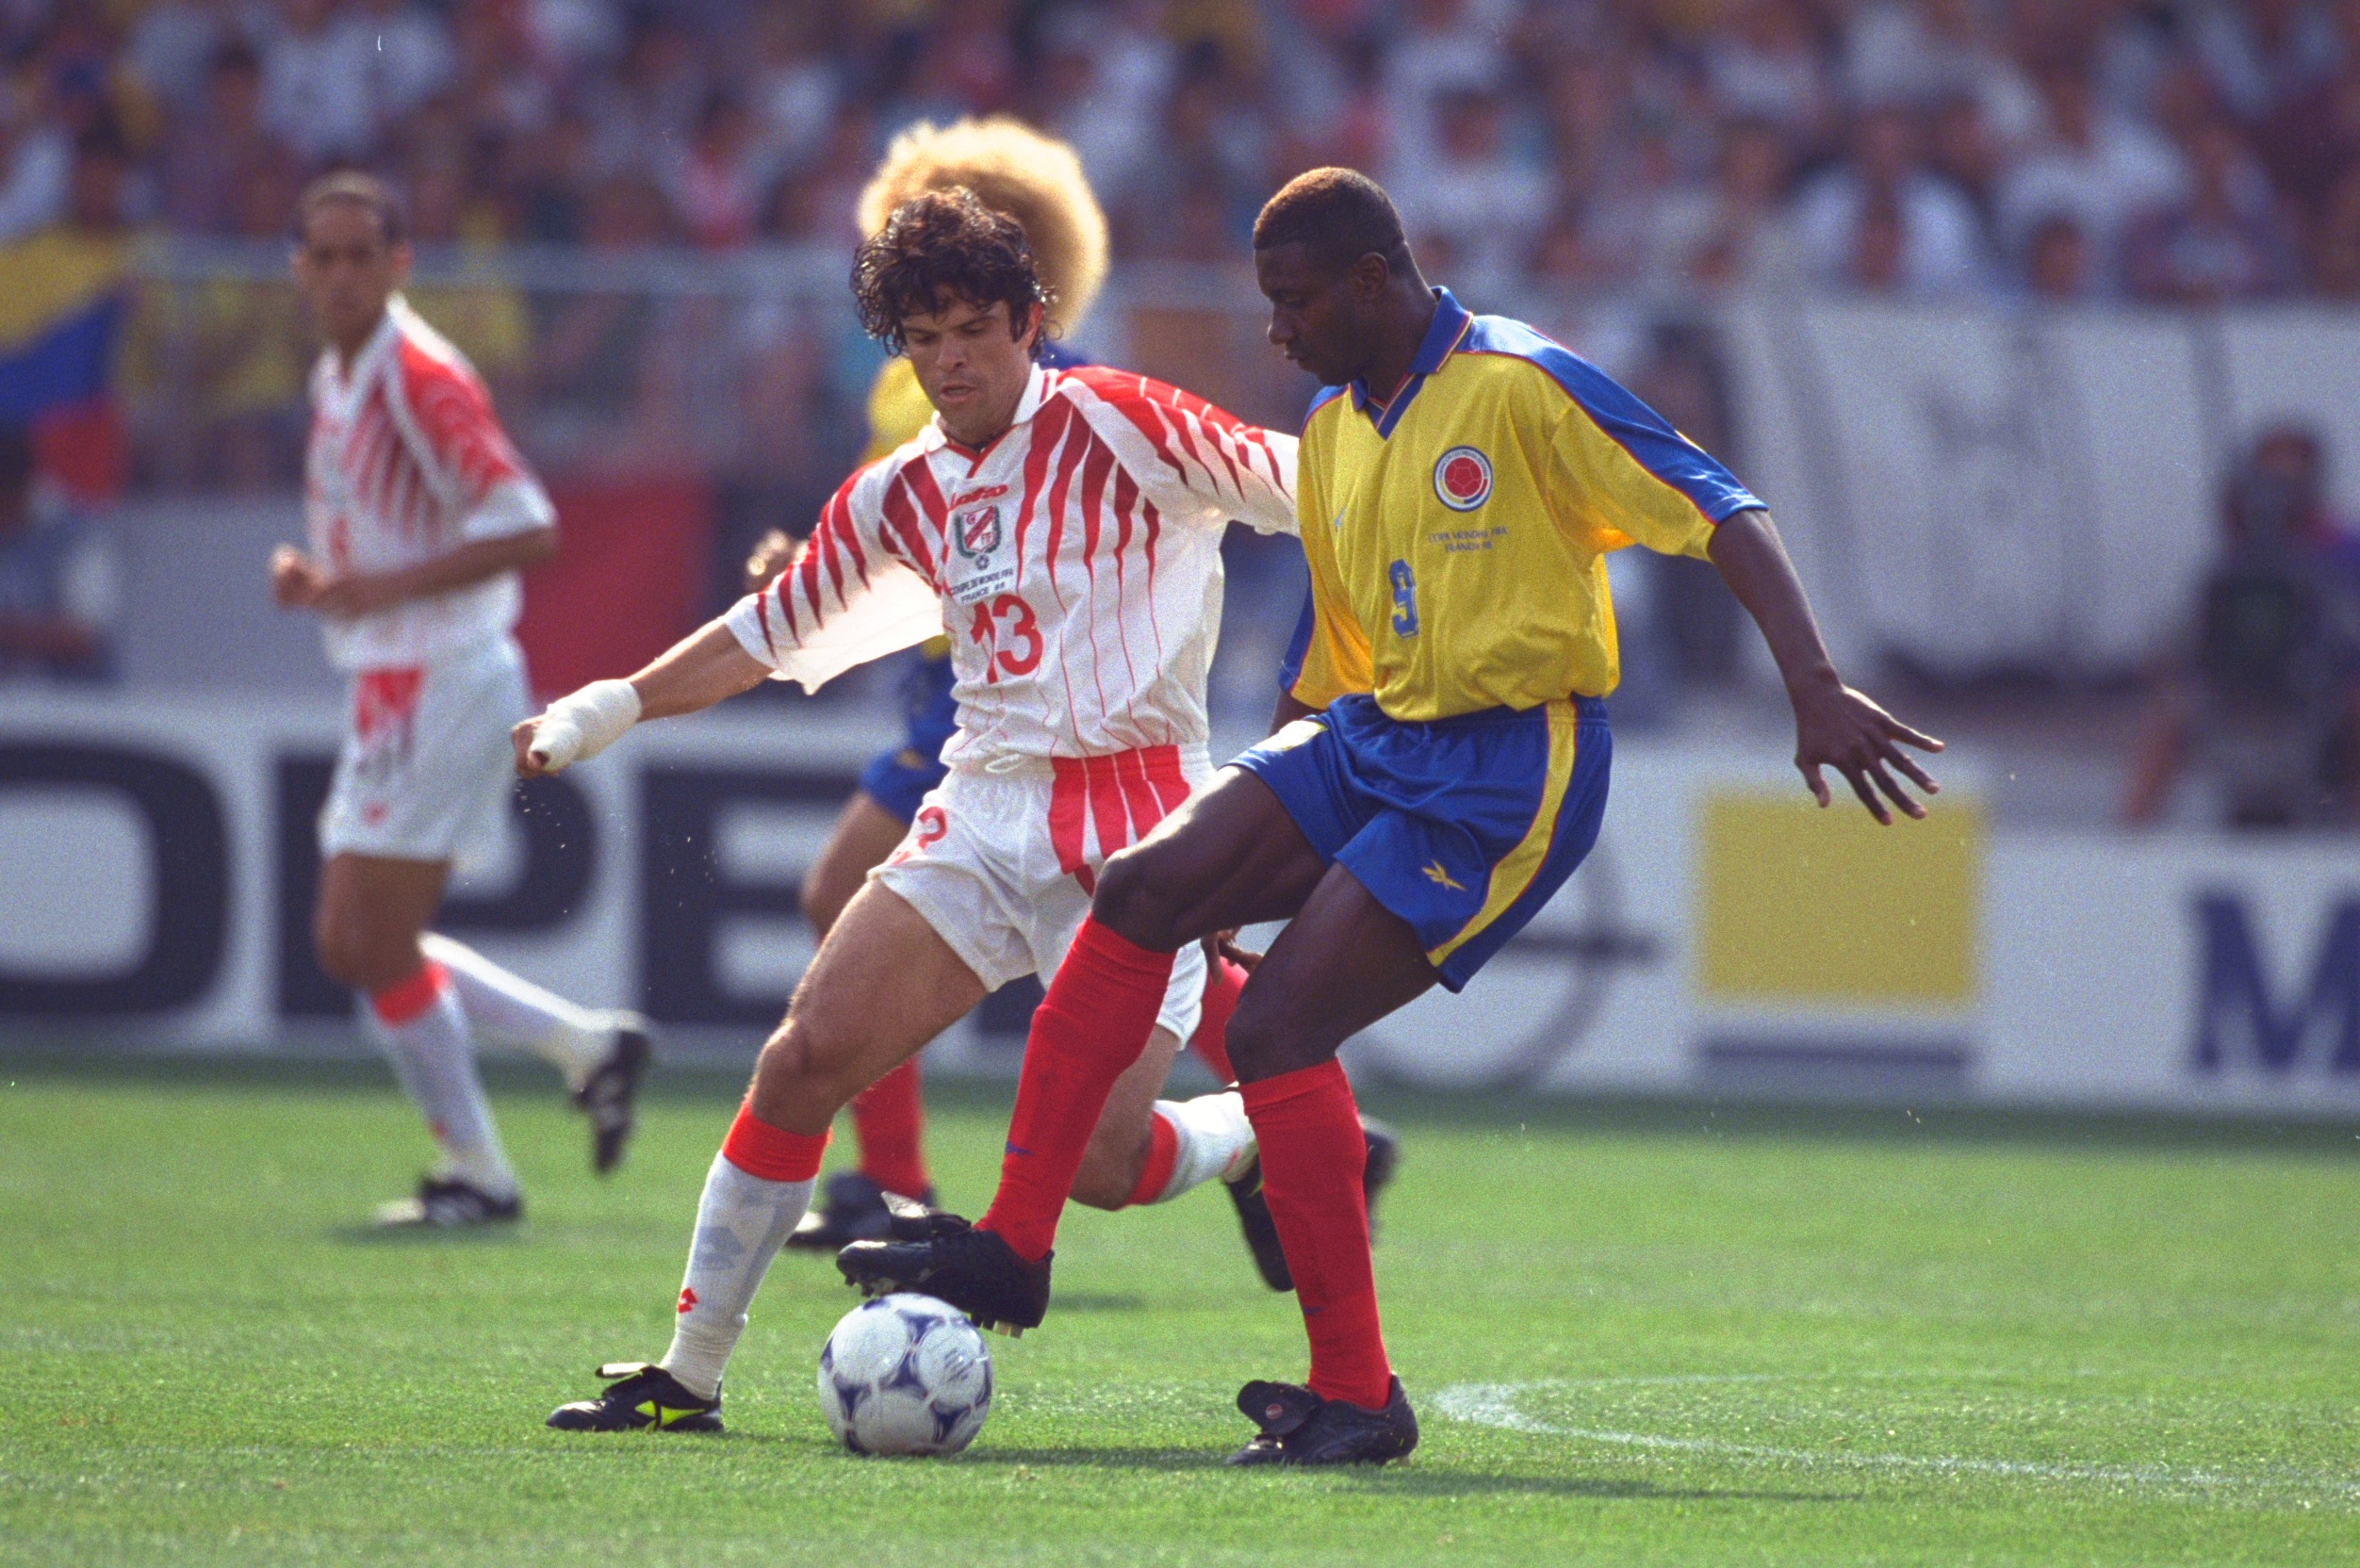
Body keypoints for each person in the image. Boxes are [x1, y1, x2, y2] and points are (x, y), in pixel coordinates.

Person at [839, 168, 1945, 1466]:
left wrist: (1811, 686)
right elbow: (1336, 649)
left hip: (1508, 764)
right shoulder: (1335, 427)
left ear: (1373, 281)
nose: (1275, 330)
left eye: (1294, 301)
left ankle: (1358, 1395)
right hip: (1372, 731)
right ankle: (1014, 1248)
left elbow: (1722, 506)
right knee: (1143, 889)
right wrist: (1255, 827)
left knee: (1279, 1026)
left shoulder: (1520, 385)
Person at [526, 188, 1305, 1433]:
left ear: (1030, 322)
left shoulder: (1125, 420)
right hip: (983, 811)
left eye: (974, 331)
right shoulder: (899, 492)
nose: (950, 361)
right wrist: (608, 705)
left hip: (1140, 833)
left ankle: (1237, 1139)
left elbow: (1314, 488)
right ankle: (687, 1375)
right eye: (924, 337)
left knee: (1101, 1166)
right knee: (801, 1060)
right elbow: (767, 630)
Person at [747, 118, 1381, 1282]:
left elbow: (1058, 539)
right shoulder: (909, 384)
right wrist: (813, 583)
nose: (943, 334)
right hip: (961, 692)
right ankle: (1263, 1116)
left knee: (1066, 941)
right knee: (1121, 945)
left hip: (1052, 712)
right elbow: (910, 526)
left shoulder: (1077, 397)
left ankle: (919, 1182)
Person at [268, 172, 651, 1228]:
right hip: (396, 675)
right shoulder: (340, 375)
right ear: (299, 268)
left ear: (400, 264)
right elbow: (390, 538)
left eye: (362, 255)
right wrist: (327, 581)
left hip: (445, 674)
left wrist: (382, 588)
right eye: (323, 256)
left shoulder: (420, 374)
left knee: (366, 937)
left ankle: (481, 1167)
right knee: (354, 941)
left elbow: (530, 525)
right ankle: (582, 1047)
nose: (341, 275)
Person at [0, 423, 117, 681]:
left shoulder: (77, 536)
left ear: (22, 489)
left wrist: (9, 633)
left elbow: (86, 635)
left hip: (74, 701)